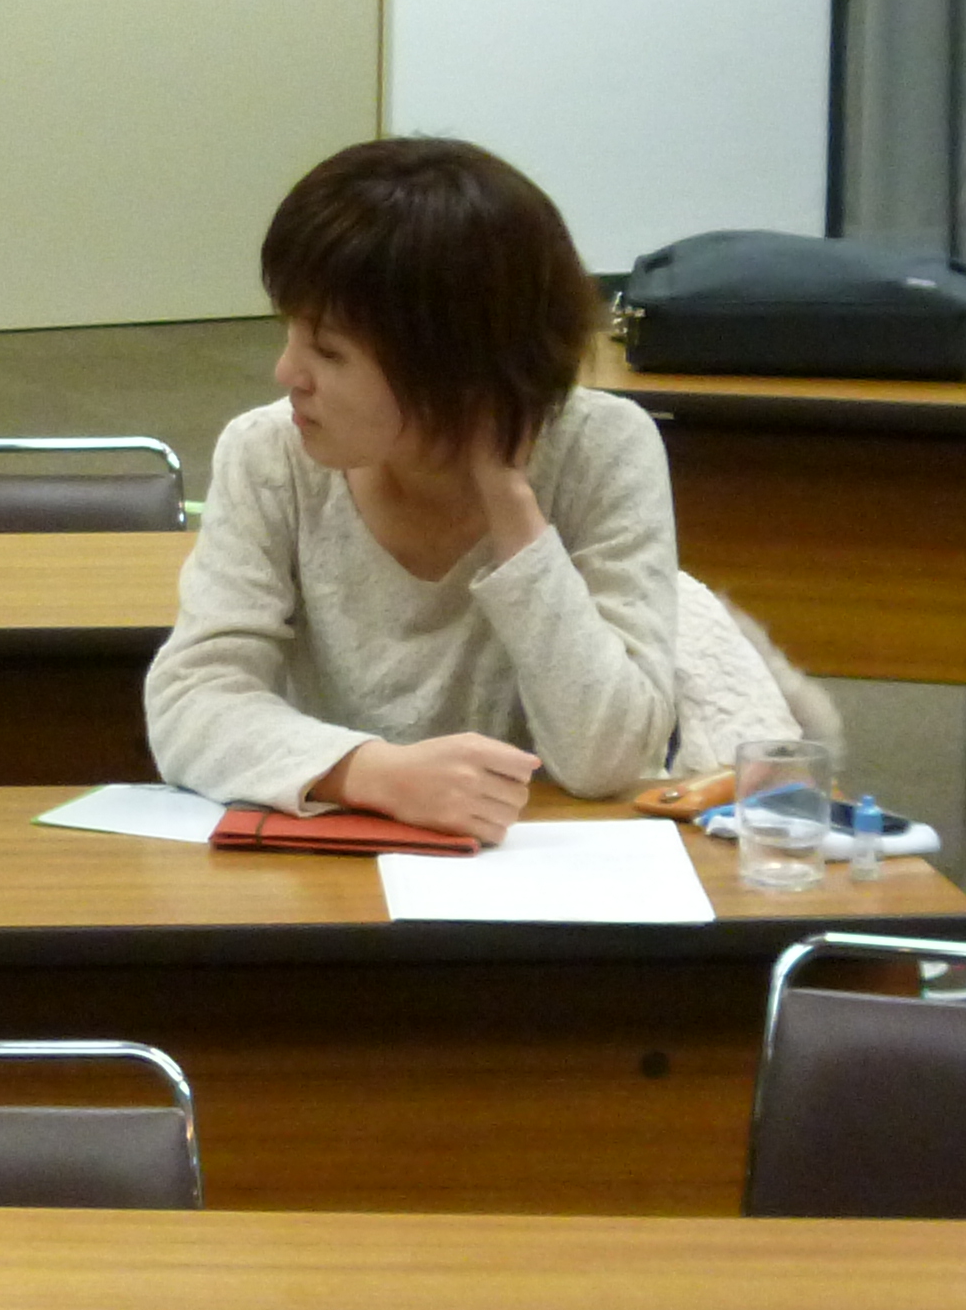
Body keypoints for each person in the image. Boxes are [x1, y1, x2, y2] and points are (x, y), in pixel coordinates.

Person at [144, 138, 675, 842]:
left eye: (328, 351)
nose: (287, 373)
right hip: (325, 864)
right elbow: (192, 701)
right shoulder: (269, 453)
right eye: (291, 332)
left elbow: (611, 758)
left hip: (536, 868)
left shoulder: (602, 448)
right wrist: (374, 774)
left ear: (455, 367)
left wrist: (511, 505)